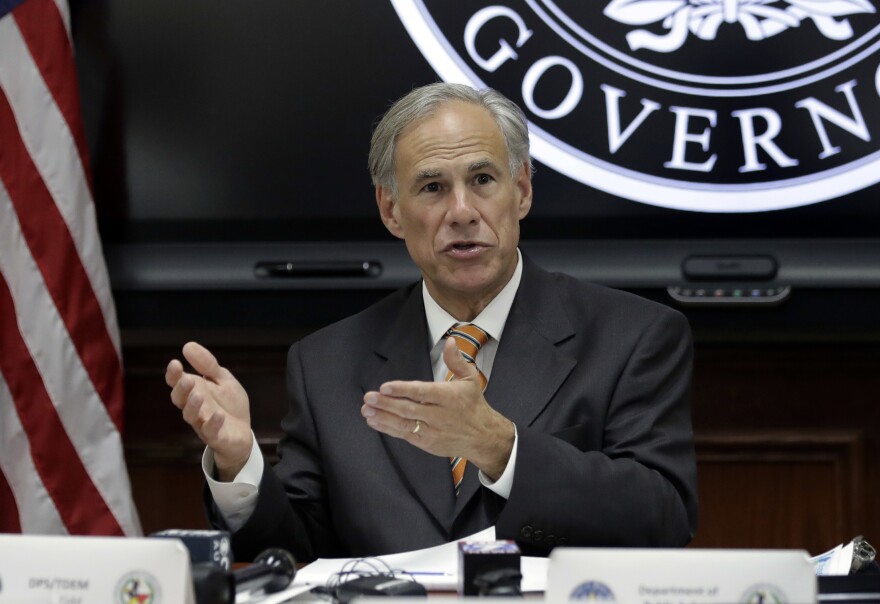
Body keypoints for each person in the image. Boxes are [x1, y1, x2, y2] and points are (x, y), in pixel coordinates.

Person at [165, 82, 698, 562]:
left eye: (483, 179)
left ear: (523, 191)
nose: (462, 210)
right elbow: (295, 547)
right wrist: (240, 464)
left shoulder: (634, 336)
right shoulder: (325, 362)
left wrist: (501, 448)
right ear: (391, 210)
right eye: (432, 187)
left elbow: (663, 516)